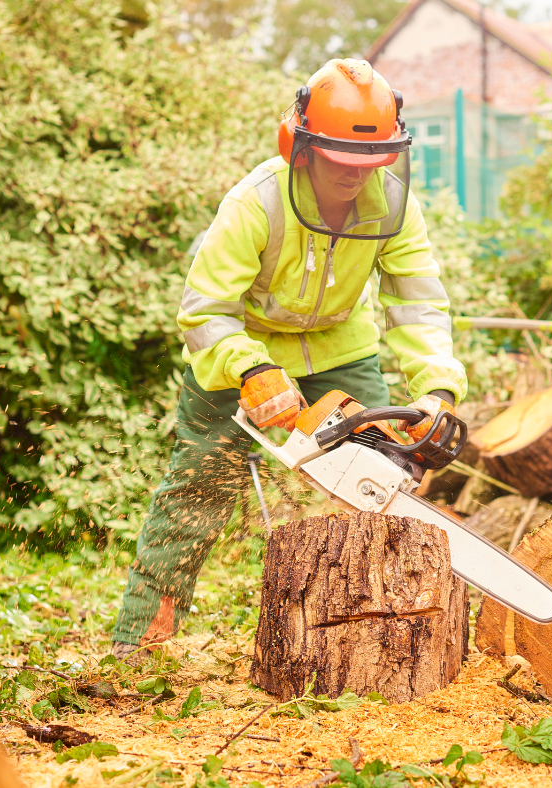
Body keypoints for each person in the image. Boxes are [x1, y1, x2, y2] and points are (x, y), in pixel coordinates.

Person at [110, 58, 468, 660]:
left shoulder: (396, 207)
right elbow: (205, 309)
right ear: (301, 146)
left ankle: (379, 640)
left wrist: (436, 391)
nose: (356, 175)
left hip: (339, 349)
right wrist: (249, 368)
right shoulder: (256, 202)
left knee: (380, 482)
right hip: (238, 351)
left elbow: (418, 304)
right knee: (198, 488)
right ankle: (140, 640)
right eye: (340, 161)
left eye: (371, 161)